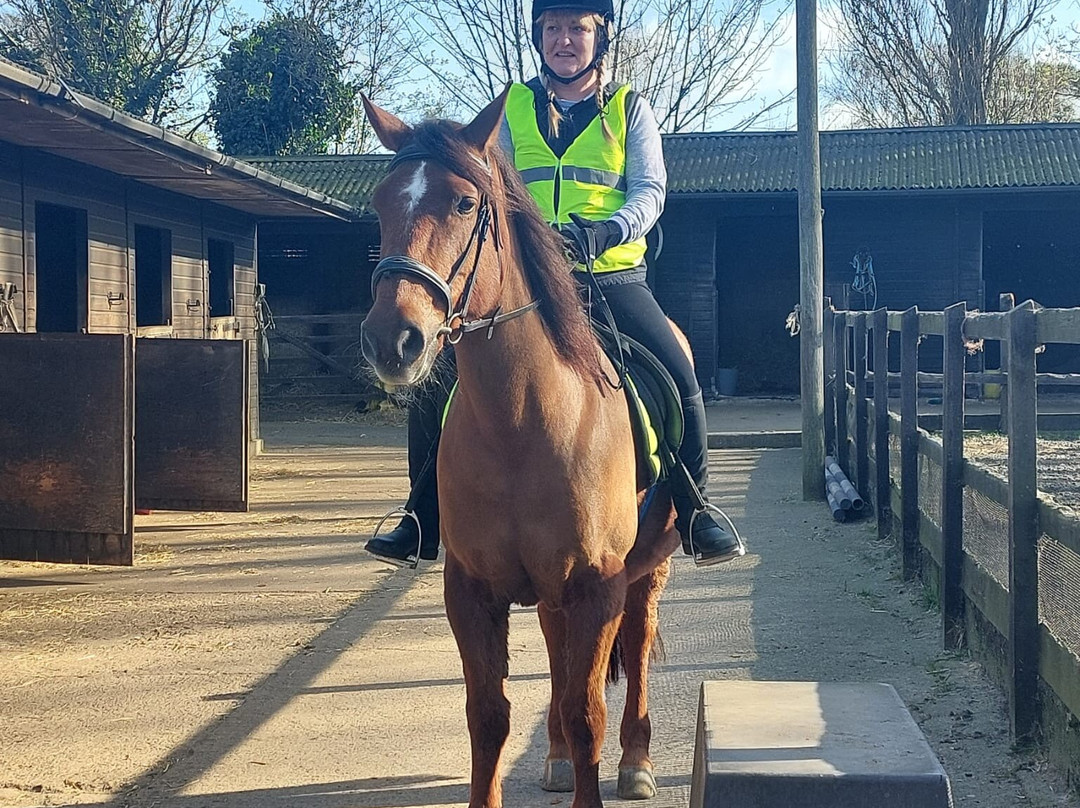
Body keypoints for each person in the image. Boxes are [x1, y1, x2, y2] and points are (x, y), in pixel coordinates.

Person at [365, 0, 745, 567]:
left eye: (577, 29)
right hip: (531, 279)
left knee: (676, 371)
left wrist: (609, 230)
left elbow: (651, 190)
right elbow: (492, 188)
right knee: (441, 379)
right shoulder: (510, 109)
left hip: (611, 273)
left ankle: (696, 511)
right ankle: (420, 518)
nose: (563, 40)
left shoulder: (629, 109)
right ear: (539, 37)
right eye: (552, 29)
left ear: (601, 36)